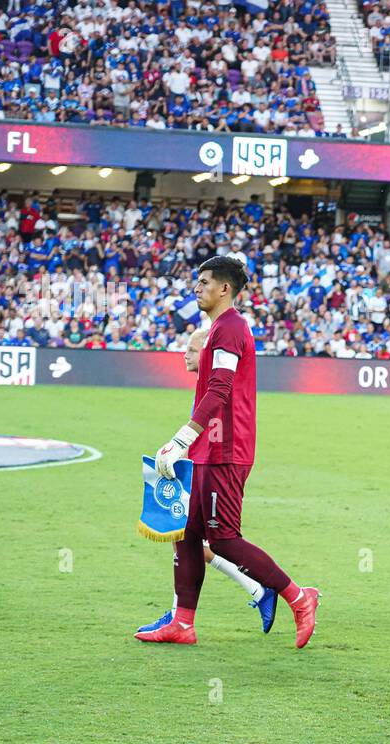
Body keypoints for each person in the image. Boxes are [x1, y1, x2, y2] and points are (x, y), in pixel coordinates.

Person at [134, 257, 320, 647]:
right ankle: (182, 623)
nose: (197, 288)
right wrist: (190, 444)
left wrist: (183, 437)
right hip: (208, 449)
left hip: (226, 449)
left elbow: (220, 389)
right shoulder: (218, 328)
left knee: (222, 539)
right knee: (186, 535)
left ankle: (299, 598)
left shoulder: (231, 327)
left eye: (204, 282)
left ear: (224, 289)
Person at [135, 326, 277, 639]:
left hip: (216, 463)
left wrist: (177, 451)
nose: (185, 354)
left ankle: (264, 588)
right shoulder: (204, 387)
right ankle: (184, 613)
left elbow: (210, 429)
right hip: (203, 461)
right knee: (185, 536)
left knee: (207, 537)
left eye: (192, 349)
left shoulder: (217, 388)